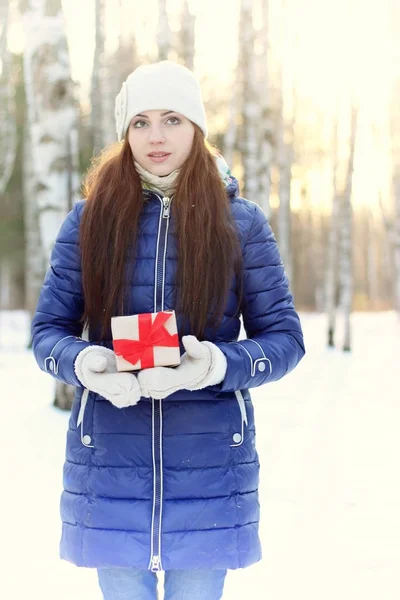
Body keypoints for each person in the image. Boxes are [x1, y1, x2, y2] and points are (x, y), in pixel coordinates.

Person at [31, 60, 305, 600]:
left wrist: (218, 366)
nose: (156, 136)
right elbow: (47, 332)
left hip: (208, 475)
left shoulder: (240, 222)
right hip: (110, 470)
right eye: (141, 122)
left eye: (172, 119)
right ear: (124, 132)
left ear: (197, 127)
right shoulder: (89, 221)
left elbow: (285, 340)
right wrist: (87, 364)